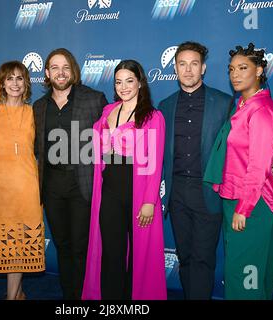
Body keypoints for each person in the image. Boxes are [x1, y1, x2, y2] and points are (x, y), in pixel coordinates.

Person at [158, 41, 273, 300]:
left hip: (210, 192)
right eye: (182, 64)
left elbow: (253, 144)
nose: (188, 70)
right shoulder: (165, 106)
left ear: (203, 68)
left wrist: (270, 165)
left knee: (204, 259)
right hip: (177, 192)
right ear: (175, 69)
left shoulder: (225, 103)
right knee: (185, 256)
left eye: (194, 64)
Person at [82, 60, 167, 300]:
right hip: (109, 188)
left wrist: (150, 200)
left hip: (137, 190)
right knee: (112, 253)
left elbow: (155, 162)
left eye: (129, 81)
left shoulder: (153, 116)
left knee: (139, 257)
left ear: (140, 82)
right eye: (118, 82)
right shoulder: (108, 111)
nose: (123, 86)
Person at [209, 43, 273, 299]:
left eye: (243, 68)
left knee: (246, 274)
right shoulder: (242, 104)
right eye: (231, 69)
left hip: (252, 203)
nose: (235, 75)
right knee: (237, 271)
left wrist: (244, 209)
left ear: (260, 70)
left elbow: (257, 167)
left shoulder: (261, 110)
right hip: (234, 198)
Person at [33, 48, 108, 300]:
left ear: (73, 70)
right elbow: (37, 149)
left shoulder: (94, 99)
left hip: (82, 184)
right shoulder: (39, 106)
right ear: (47, 73)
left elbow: (110, 143)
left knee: (81, 247)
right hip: (52, 185)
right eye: (55, 67)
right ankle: (71, 297)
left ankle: (86, 296)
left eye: (65, 67)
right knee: (62, 246)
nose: (60, 72)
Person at [0, 61, 45, 300]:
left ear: (26, 83)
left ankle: (12, 296)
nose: (15, 83)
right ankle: (17, 293)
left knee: (21, 242)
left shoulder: (35, 112)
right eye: (9, 78)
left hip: (28, 187)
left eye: (20, 78)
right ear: (2, 83)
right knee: (9, 242)